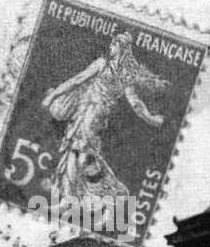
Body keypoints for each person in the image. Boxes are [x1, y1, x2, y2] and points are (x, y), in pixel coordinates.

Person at [41, 31, 170, 209]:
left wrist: (53, 95)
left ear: (119, 48)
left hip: (90, 111)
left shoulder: (103, 64)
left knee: (79, 151)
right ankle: (75, 196)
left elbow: (77, 80)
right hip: (98, 115)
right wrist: (151, 119)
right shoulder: (127, 74)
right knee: (79, 151)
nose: (111, 47)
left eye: (114, 45)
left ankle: (81, 196)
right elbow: (136, 103)